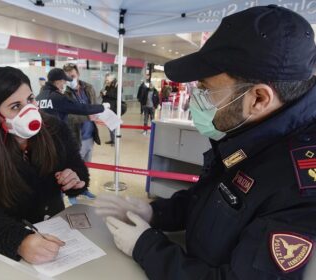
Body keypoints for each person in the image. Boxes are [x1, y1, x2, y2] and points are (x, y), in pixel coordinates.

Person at [95, 5, 316, 279]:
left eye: (206, 90)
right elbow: (212, 200)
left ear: (258, 98)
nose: (195, 101)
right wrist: (154, 212)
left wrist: (147, 247)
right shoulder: (252, 135)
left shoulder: (301, 187)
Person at [0, 66, 90, 264]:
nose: (29, 110)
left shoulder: (54, 130)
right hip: (9, 248)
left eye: (30, 99)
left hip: (56, 233)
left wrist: (75, 179)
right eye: (15, 106)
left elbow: (78, 168)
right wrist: (19, 241)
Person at [62, 63, 99, 202]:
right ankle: (72, 194)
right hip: (76, 137)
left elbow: (94, 106)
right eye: (67, 78)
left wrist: (101, 111)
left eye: (72, 76)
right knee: (74, 168)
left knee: (86, 168)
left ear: (78, 74)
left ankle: (84, 189)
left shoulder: (88, 88)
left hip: (90, 135)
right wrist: (86, 116)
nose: (70, 80)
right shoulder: (64, 93)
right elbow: (67, 116)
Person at [37, 68, 107, 123]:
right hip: (56, 137)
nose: (64, 83)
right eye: (64, 81)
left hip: (45, 138)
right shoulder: (57, 98)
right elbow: (81, 108)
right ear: (58, 81)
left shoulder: (39, 97)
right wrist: (102, 107)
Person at [101, 74, 118, 145]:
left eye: (108, 79)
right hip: (107, 107)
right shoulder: (108, 86)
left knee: (113, 125)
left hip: (113, 107)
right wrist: (103, 94)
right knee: (109, 125)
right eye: (106, 79)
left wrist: (106, 93)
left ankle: (115, 141)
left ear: (112, 78)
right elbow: (105, 96)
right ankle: (112, 139)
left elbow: (115, 96)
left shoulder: (117, 86)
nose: (106, 80)